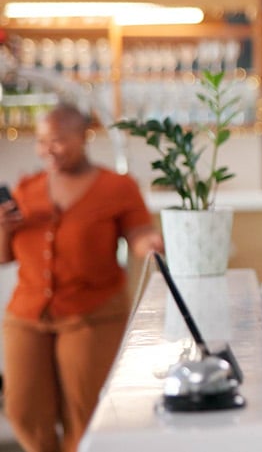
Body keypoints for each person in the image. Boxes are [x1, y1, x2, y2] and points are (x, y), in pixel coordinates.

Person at [1, 104, 164, 452]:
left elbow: (139, 233)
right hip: (27, 316)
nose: (48, 149)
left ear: (84, 137)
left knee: (86, 413)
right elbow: (4, 257)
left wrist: (149, 244)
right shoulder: (26, 189)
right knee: (22, 409)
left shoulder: (117, 187)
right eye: (42, 141)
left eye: (58, 140)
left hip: (92, 315)